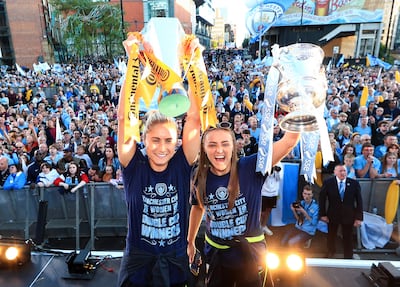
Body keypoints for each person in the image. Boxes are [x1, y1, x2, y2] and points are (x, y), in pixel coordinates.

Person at [116, 65, 201, 286]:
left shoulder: (181, 165)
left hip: (175, 260)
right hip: (138, 262)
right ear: (144, 139)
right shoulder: (134, 167)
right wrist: (132, 65)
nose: (162, 148)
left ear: (177, 142)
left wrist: (193, 65)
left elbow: (193, 120)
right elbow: (124, 119)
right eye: (155, 140)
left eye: (168, 140)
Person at [187, 124, 299, 287]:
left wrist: (300, 108)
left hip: (251, 256)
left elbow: (289, 141)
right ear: (203, 149)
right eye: (212, 145)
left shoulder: (251, 166)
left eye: (225, 143)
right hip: (217, 255)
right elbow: (198, 207)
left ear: (233, 146)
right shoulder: (199, 175)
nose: (219, 150)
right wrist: (190, 241)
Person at [319, 164, 363, 259]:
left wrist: (359, 218)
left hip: (349, 215)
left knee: (347, 236)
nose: (343, 173)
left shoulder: (354, 183)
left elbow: (359, 201)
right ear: (335, 172)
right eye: (340, 171)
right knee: (331, 235)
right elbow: (322, 199)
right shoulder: (328, 182)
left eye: (344, 171)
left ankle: (348, 255)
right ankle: (330, 252)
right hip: (333, 214)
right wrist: (322, 214)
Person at [260, 163, 283, 236]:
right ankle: (258, 227)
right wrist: (269, 170)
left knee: (268, 210)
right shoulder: (265, 161)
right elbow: (261, 176)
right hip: (263, 192)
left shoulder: (279, 164)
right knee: (261, 212)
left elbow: (280, 178)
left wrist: (276, 171)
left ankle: (263, 226)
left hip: (273, 193)